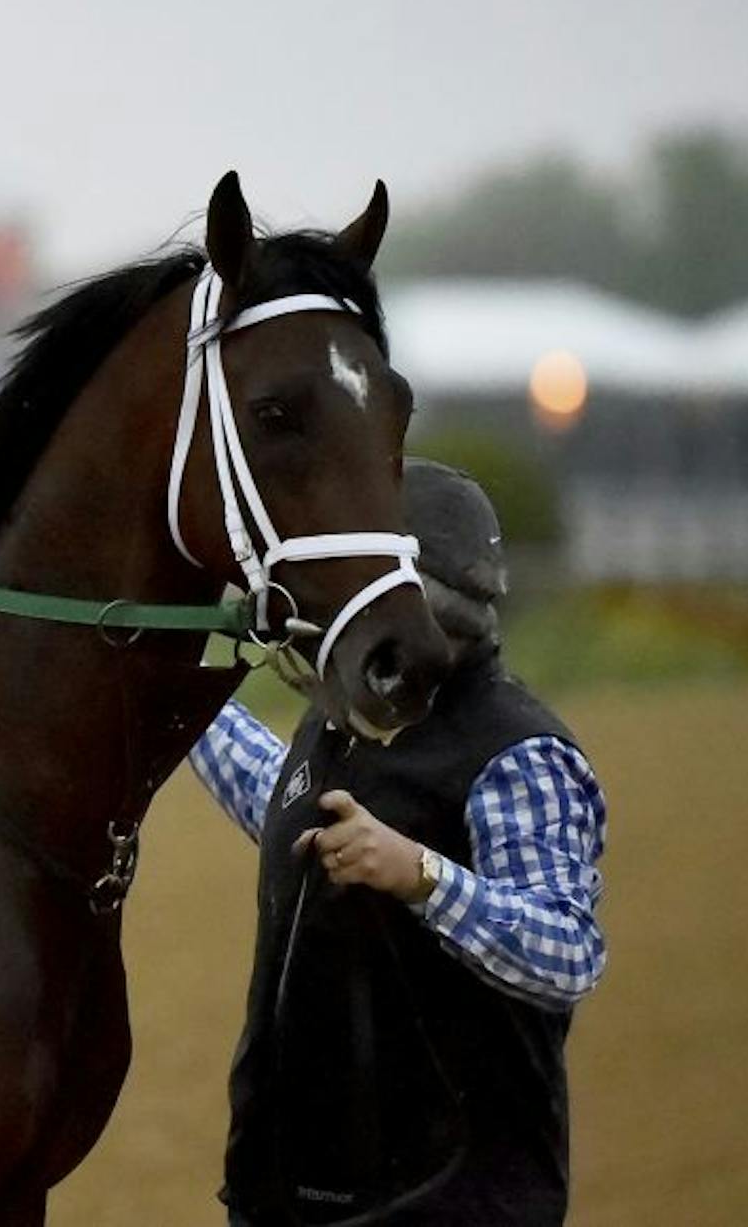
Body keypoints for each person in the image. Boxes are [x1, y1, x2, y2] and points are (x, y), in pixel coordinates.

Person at [189, 459, 609, 1225]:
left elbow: (567, 954)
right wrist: (177, 697)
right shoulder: (347, 714)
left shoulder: (518, 752)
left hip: (454, 1202)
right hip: (287, 1192)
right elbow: (279, 799)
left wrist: (421, 874)